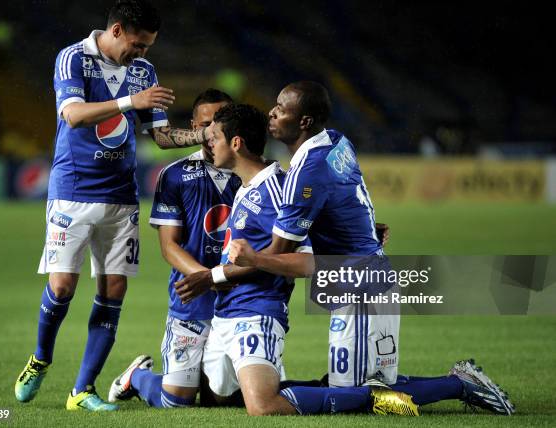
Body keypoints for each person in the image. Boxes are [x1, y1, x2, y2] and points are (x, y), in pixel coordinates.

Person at [224, 82, 514, 416]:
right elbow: (344, 196)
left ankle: (461, 384)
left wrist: (252, 258)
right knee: (361, 388)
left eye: (282, 108)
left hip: (359, 284)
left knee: (360, 395)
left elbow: (279, 251)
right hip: (367, 275)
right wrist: (364, 228)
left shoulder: (306, 171)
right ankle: (459, 382)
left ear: (304, 121)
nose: (271, 112)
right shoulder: (335, 141)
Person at [14, 0, 209, 411]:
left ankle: (82, 390)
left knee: (113, 289)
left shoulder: (144, 73)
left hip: (121, 194)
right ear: (117, 30)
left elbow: (160, 135)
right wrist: (128, 104)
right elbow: (72, 115)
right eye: (138, 45)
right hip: (73, 189)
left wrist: (205, 136)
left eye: (149, 47)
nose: (142, 54)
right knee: (62, 285)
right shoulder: (72, 58)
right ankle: (40, 359)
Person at [177, 103, 420, 416]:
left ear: (235, 143)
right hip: (227, 312)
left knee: (269, 404)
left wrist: (215, 276)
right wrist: (362, 227)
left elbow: (303, 260)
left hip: (262, 309)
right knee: (219, 395)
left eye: (214, 138)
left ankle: (444, 386)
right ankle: (331, 390)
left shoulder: (276, 187)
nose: (208, 145)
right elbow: (312, 216)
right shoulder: (250, 185)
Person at [108, 89, 240, 408]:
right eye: (206, 123)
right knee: (175, 402)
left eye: (221, 123)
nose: (213, 132)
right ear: (194, 126)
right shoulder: (176, 175)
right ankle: (137, 377)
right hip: (191, 298)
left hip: (239, 300)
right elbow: (169, 247)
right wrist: (211, 277)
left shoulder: (254, 174)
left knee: (219, 400)